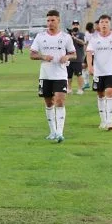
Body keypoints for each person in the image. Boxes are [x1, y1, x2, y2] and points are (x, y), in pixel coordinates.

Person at [30, 10, 76, 142]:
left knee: (60, 101)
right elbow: (32, 54)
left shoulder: (66, 37)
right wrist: (43, 56)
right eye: (48, 20)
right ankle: (53, 131)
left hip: (61, 74)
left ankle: (60, 133)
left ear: (58, 21)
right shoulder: (40, 36)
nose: (50, 23)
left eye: (53, 20)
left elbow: (74, 54)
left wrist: (67, 56)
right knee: (49, 102)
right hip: (45, 75)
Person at [86, 14, 112, 131]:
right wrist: (90, 66)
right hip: (98, 71)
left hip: (111, 70)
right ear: (98, 24)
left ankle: (109, 122)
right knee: (101, 94)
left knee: (110, 92)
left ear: (110, 24)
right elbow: (89, 53)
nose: (104, 24)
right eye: (102, 22)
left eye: (106, 22)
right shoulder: (94, 39)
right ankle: (103, 120)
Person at [67, 19, 86, 95]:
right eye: (74, 24)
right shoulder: (68, 34)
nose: (75, 25)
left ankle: (80, 89)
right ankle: (69, 89)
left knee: (79, 74)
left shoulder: (81, 34)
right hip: (69, 58)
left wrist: (74, 38)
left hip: (78, 58)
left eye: (77, 24)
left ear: (79, 25)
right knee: (68, 75)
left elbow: (83, 43)